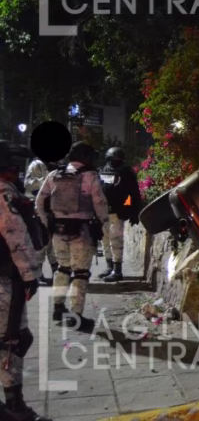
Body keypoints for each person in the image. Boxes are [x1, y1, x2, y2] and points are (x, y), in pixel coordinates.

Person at [35, 142, 109, 332]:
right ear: (86, 157)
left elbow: (39, 202)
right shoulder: (91, 176)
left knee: (62, 268)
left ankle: (58, 308)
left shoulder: (55, 174)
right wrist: (103, 224)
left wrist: (48, 224)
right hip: (82, 230)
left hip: (58, 230)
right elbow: (100, 203)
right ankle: (76, 316)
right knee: (81, 273)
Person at [0, 141, 50, 421]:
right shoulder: (3, 194)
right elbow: (15, 236)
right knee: (12, 340)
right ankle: (13, 407)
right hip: (4, 281)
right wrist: (30, 274)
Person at [98, 147, 141, 283]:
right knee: (105, 240)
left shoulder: (127, 172)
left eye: (118, 160)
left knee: (115, 241)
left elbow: (133, 194)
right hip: (103, 211)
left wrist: (131, 210)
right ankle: (109, 266)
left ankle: (117, 271)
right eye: (113, 160)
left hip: (117, 212)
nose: (115, 162)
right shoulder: (102, 170)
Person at [23, 158, 59, 285]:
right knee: (41, 241)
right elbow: (30, 185)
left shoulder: (54, 164)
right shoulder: (37, 165)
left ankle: (56, 270)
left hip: (51, 209)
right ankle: (37, 273)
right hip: (38, 209)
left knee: (51, 242)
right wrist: (51, 180)